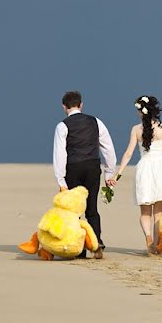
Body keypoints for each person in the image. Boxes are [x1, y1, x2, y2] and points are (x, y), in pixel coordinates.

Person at [110, 95, 162, 255]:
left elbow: (128, 153)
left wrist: (118, 174)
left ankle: (149, 238)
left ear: (141, 111)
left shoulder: (136, 130)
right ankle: (158, 245)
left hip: (144, 169)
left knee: (145, 212)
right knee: (159, 212)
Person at [52, 90, 117, 259]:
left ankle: (79, 247)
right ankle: (96, 243)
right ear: (81, 105)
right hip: (92, 166)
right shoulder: (96, 122)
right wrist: (109, 172)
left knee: (75, 210)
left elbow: (60, 154)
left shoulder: (62, 126)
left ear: (64, 107)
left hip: (72, 168)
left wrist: (61, 180)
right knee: (92, 208)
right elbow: (108, 148)